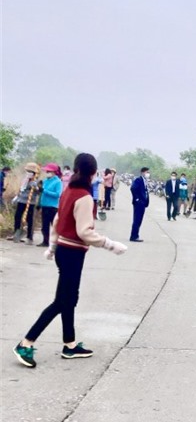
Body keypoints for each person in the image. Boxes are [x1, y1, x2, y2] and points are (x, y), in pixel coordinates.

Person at [12, 153, 127, 369]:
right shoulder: (84, 197)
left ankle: (70, 344)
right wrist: (110, 245)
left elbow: (57, 222)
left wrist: (53, 247)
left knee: (69, 299)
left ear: (75, 169)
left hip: (64, 251)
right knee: (62, 301)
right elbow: (85, 232)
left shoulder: (68, 191)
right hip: (73, 253)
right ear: (93, 173)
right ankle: (25, 343)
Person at [8, 163, 41, 243]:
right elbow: (21, 190)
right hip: (21, 201)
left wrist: (36, 187)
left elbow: (39, 192)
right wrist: (16, 197)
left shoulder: (38, 181)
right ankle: (16, 234)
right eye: (27, 171)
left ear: (34, 173)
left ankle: (29, 237)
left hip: (30, 202)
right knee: (17, 217)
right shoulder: (24, 180)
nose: (28, 173)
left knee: (29, 219)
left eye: (30, 172)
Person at [39, 163, 63, 247]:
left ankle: (57, 242)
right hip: (44, 205)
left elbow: (57, 194)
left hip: (52, 207)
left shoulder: (58, 182)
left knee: (54, 225)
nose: (47, 172)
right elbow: (41, 193)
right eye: (47, 171)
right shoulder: (45, 181)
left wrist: (44, 191)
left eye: (49, 171)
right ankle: (45, 241)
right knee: (44, 226)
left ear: (54, 172)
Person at [130, 167, 150, 242]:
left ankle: (136, 235)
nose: (148, 174)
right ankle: (134, 236)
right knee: (137, 219)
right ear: (142, 172)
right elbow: (133, 188)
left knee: (139, 220)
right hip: (139, 203)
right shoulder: (138, 180)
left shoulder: (145, 180)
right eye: (147, 172)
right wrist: (137, 199)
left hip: (143, 203)